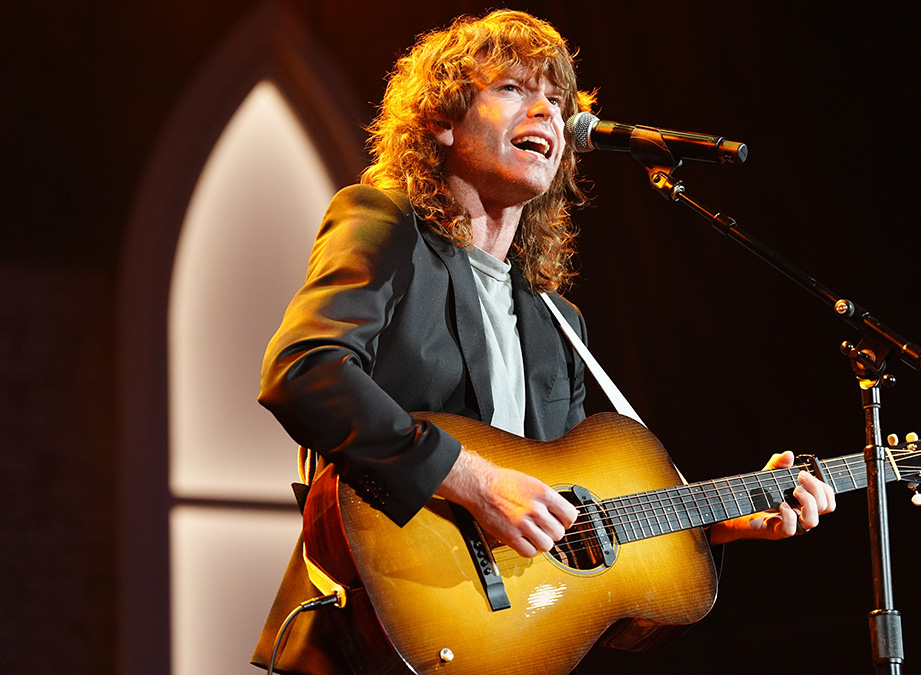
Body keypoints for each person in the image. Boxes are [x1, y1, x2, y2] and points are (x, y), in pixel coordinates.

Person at [251, 10, 835, 675]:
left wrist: (720, 523)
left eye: (557, 101)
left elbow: (577, 530)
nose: (548, 113)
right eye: (513, 89)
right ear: (443, 120)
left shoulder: (559, 324)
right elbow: (303, 368)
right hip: (369, 640)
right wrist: (472, 478)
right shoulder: (383, 225)